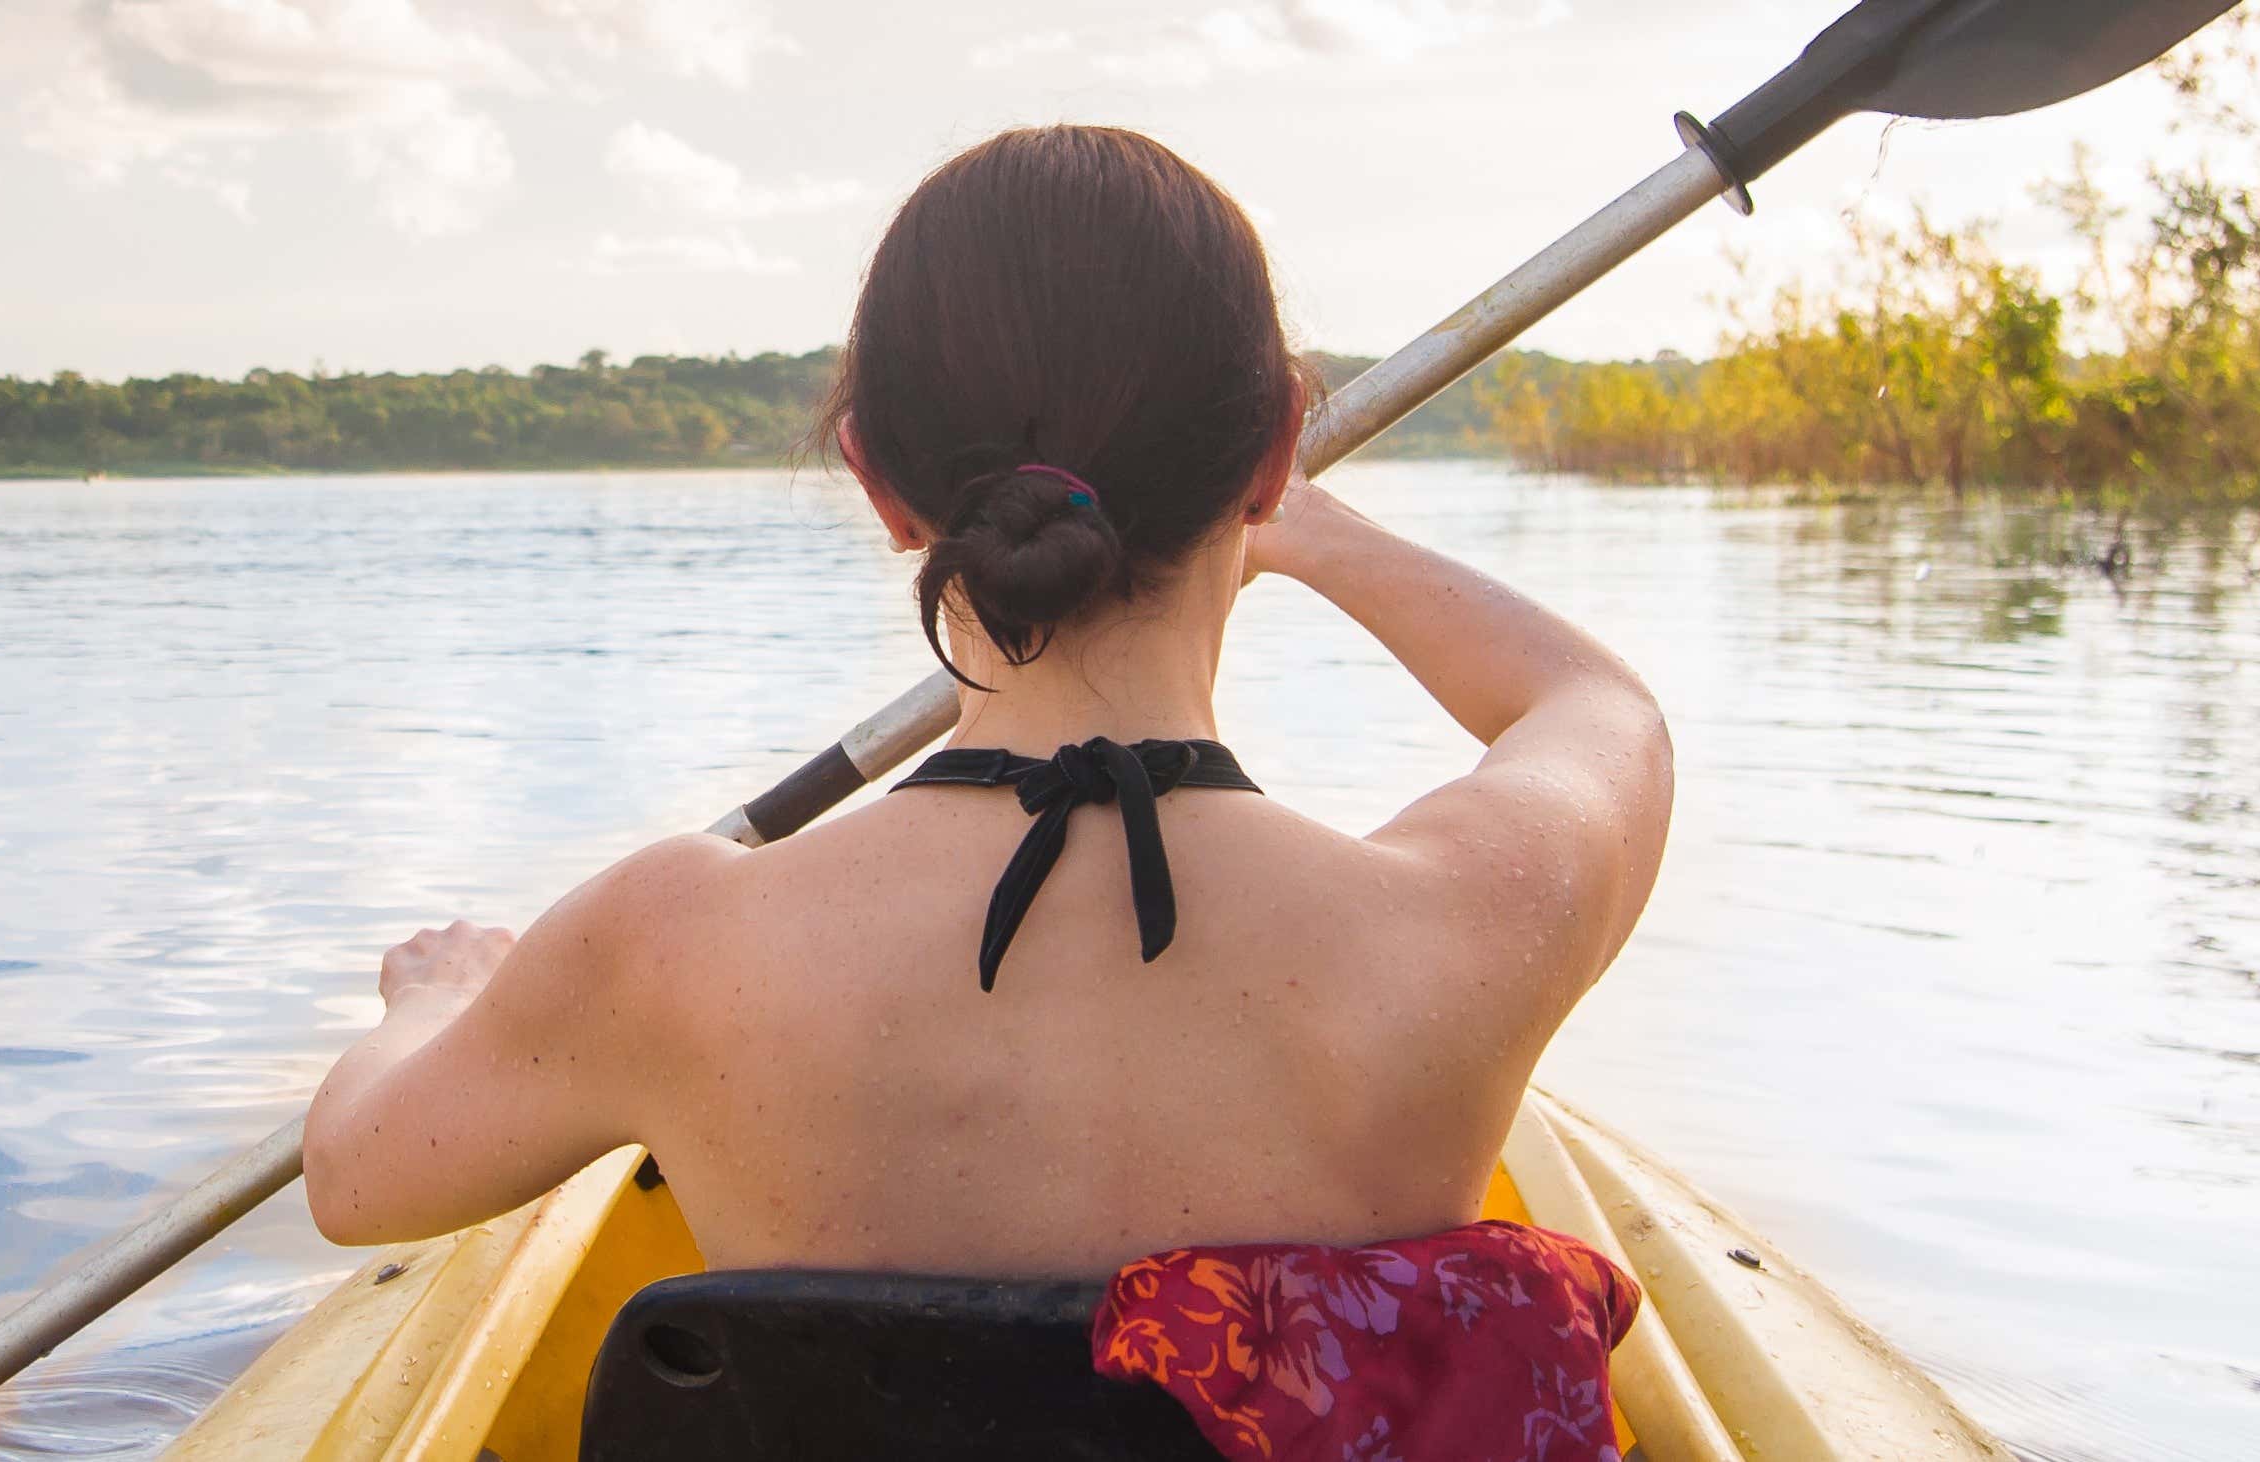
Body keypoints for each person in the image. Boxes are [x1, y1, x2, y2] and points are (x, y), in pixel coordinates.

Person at [300, 124, 1676, 1462]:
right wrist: (1322, 530)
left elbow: (356, 1178)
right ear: (1269, 448)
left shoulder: (672, 948)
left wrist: (433, 1001)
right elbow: (1597, 708)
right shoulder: (1462, 925)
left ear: (880, 482)